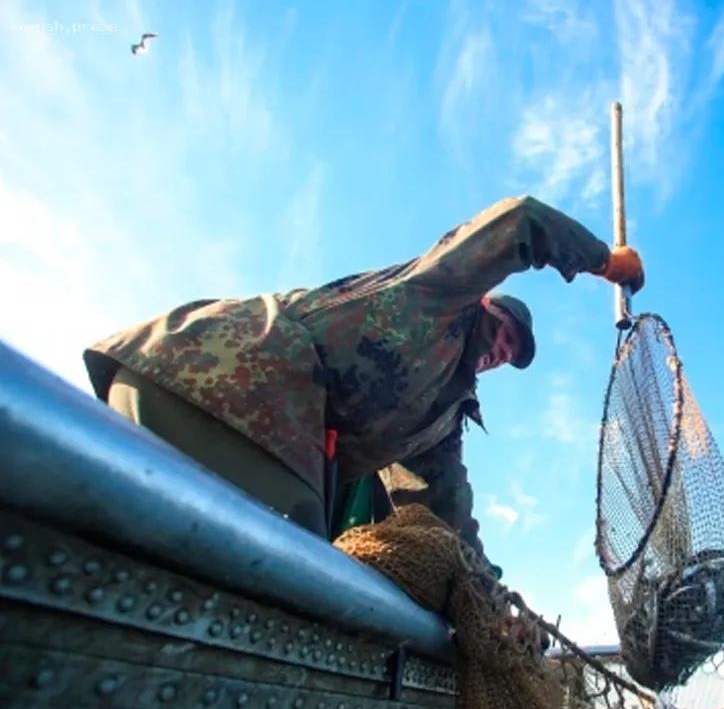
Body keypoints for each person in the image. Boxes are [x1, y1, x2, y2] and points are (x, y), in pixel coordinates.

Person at [83, 195, 645, 575]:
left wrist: (494, 596)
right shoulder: (441, 296)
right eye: (503, 332)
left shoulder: (439, 420)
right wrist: (605, 262)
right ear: (483, 306)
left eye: (512, 353)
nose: (503, 350)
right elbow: (521, 222)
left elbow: (445, 516)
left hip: (272, 449)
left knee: (289, 565)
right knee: (282, 570)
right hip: (215, 382)